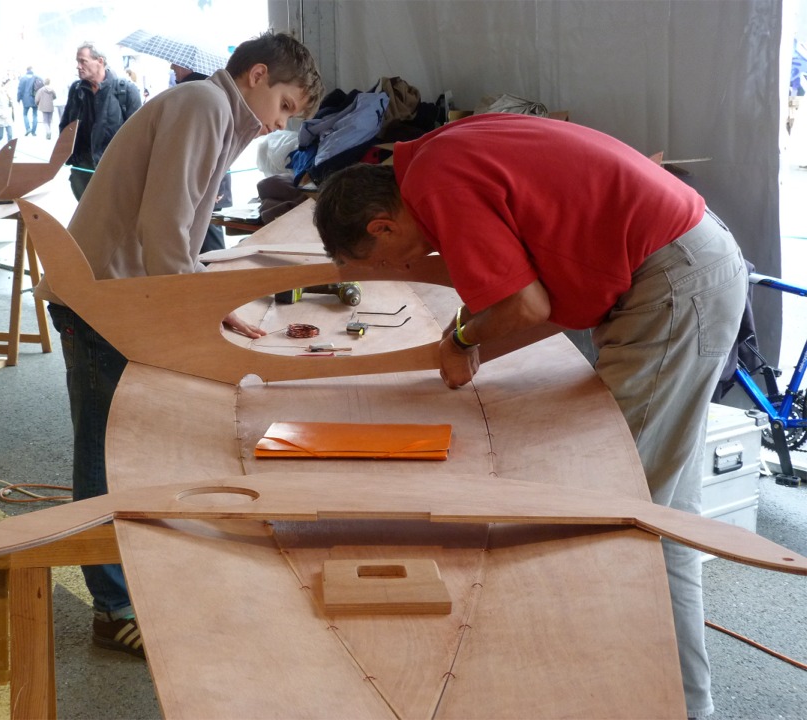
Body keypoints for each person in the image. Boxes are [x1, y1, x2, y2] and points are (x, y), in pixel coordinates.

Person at [313, 113, 747, 719]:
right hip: (682, 267)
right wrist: (469, 337)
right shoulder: (433, 158)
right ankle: (682, 705)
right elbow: (530, 298)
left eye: (384, 261)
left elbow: (524, 303)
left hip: (672, 282)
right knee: (659, 513)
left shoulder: (437, 184)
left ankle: (601, 697)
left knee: (606, 505)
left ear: (382, 226)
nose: (402, 271)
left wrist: (463, 338)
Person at [35, 31, 323, 659]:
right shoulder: (204, 105)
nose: (281, 121)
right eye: (284, 105)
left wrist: (220, 307)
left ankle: (134, 581)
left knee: (127, 444)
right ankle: (111, 609)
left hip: (127, 298)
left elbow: (184, 232)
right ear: (255, 76)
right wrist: (207, 315)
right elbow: (164, 230)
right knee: (103, 454)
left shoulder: (216, 115)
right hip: (104, 302)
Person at [58, 42, 142, 200]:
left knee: (112, 220)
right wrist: (70, 157)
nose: (78, 66)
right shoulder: (76, 90)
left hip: (114, 171)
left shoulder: (126, 90)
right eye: (77, 61)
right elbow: (65, 125)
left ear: (100, 61)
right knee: (86, 219)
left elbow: (139, 136)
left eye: (83, 61)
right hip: (82, 170)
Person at [172, 62, 233, 254]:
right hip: (206, 179)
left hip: (207, 180)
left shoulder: (198, 92)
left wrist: (214, 184)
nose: (172, 66)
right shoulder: (197, 90)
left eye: (176, 65)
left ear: (188, 65)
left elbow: (212, 144)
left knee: (208, 238)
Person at [16, 66, 41, 136]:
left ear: (26, 70)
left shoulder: (23, 79)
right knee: (35, 115)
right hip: (35, 99)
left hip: (26, 99)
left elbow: (20, 90)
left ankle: (28, 128)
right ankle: (33, 131)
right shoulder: (37, 77)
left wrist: (18, 98)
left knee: (25, 114)